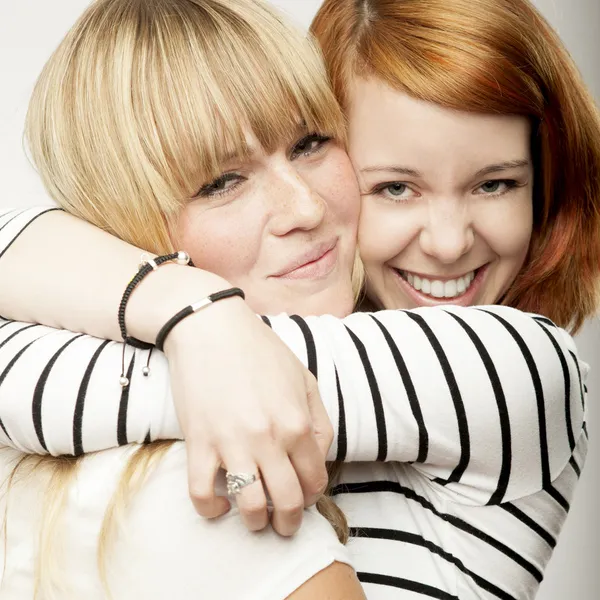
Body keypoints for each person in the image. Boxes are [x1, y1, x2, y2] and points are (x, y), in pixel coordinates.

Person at [0, 0, 597, 598]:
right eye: (221, 182)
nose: (306, 209)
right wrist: (197, 311)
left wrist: (201, 320)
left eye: (310, 144)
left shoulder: (519, 361)